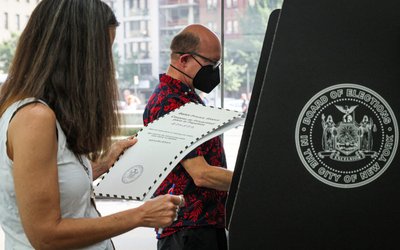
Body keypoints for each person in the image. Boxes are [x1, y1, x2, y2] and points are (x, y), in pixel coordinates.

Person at [0, 0, 183, 249]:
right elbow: (45, 235)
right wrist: (140, 215)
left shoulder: (26, 105)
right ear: (74, 53)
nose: (107, 64)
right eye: (104, 52)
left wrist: (103, 164)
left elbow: (46, 182)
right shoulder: (35, 118)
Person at [143, 24, 231, 250]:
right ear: (184, 60)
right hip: (188, 231)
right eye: (210, 64)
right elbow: (201, 175)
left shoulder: (185, 98)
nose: (214, 71)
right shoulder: (170, 103)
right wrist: (251, 181)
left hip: (200, 227)